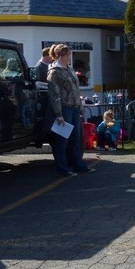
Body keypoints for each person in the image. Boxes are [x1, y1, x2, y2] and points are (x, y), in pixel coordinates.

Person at [47, 43, 93, 177]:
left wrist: (80, 106)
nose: (69, 58)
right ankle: (63, 168)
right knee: (62, 141)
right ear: (60, 55)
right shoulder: (54, 72)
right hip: (64, 109)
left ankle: (78, 165)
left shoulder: (69, 69)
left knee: (76, 139)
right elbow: (54, 94)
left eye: (69, 55)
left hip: (74, 108)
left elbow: (76, 89)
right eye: (67, 55)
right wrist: (58, 114)